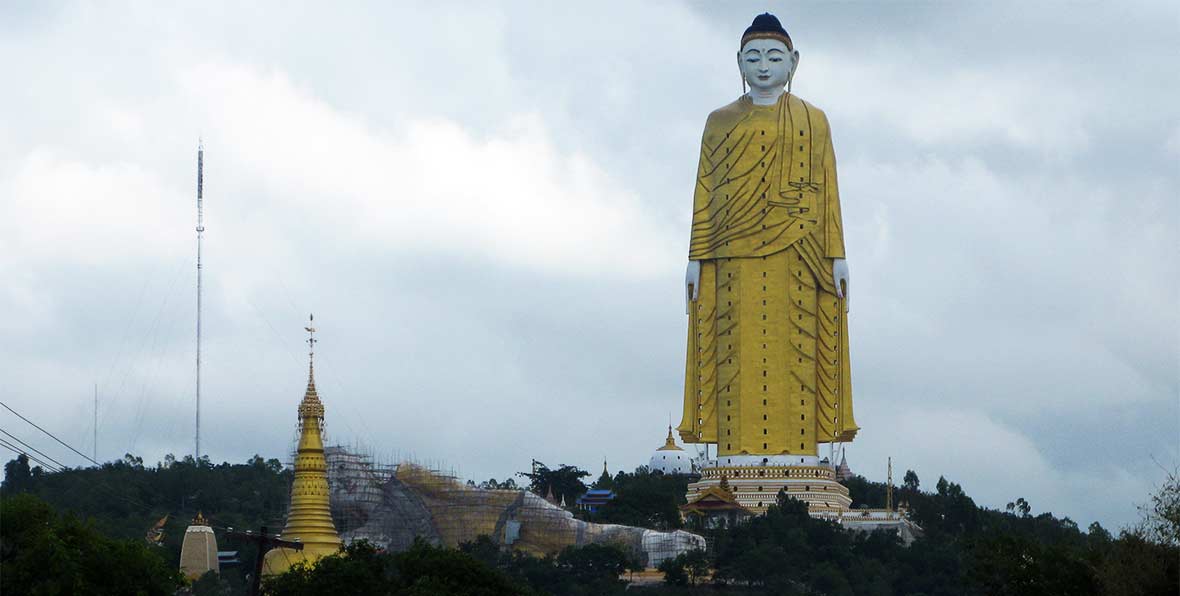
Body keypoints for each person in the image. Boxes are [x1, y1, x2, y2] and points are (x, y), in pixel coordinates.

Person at [678, 13, 858, 464]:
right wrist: (695, 256)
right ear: (738, 62)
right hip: (731, 255)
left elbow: (829, 191)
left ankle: (799, 458)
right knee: (732, 355)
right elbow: (705, 189)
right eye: (753, 57)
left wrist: (837, 254)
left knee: (796, 353)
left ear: (793, 62)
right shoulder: (718, 122)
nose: (763, 66)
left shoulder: (814, 121)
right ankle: (731, 458)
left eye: (774, 57)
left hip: (797, 254)